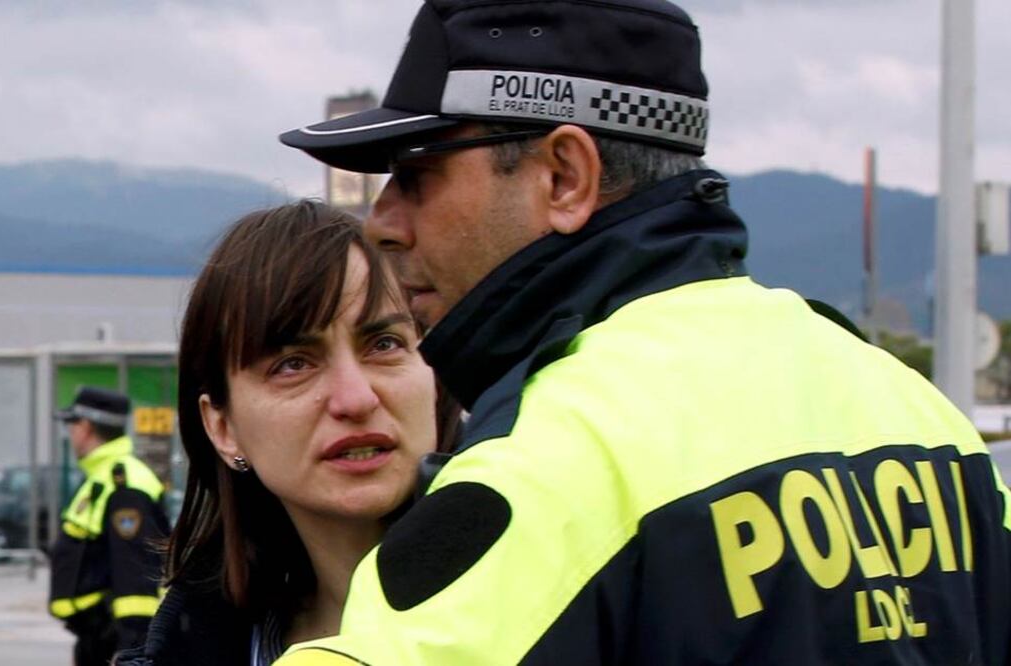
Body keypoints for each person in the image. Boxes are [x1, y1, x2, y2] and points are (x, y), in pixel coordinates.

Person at [276, 1, 1011, 663]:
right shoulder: (912, 410)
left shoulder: (557, 455)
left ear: (564, 177)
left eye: (416, 174)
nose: (383, 223)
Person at [115, 201, 456, 666]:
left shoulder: (559, 604)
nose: (355, 398)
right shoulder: (205, 645)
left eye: (383, 344)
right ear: (222, 427)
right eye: (292, 364)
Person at [49, 386, 169, 666]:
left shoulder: (123, 484)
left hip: (113, 638)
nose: (70, 433)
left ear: (86, 427)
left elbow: (135, 573)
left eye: (72, 424)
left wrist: (131, 650)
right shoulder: (102, 478)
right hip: (96, 636)